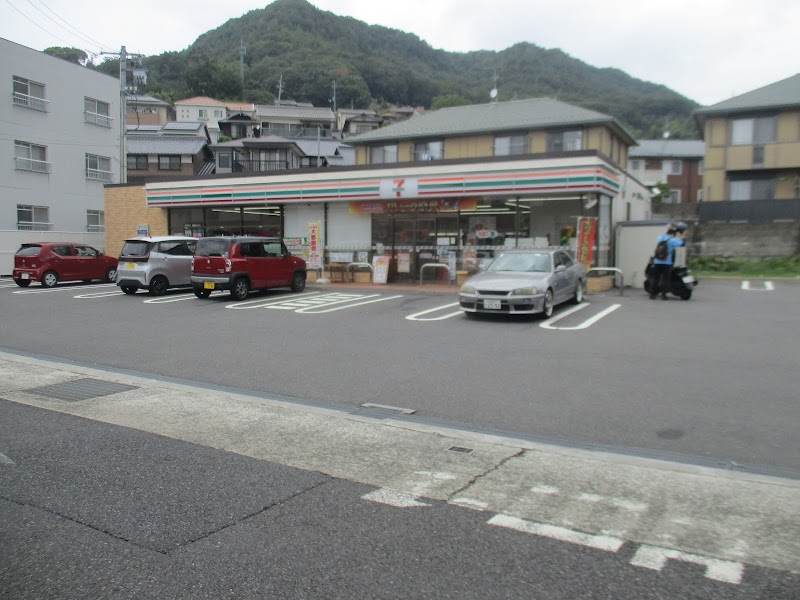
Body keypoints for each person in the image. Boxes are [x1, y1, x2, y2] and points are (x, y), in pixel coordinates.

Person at [648, 224, 686, 300]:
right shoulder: (672, 240)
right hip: (667, 263)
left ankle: (652, 294)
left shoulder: (660, 238)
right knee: (665, 279)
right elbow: (682, 244)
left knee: (656, 279)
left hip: (657, 262)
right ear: (672, 234)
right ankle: (663, 295)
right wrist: (683, 236)